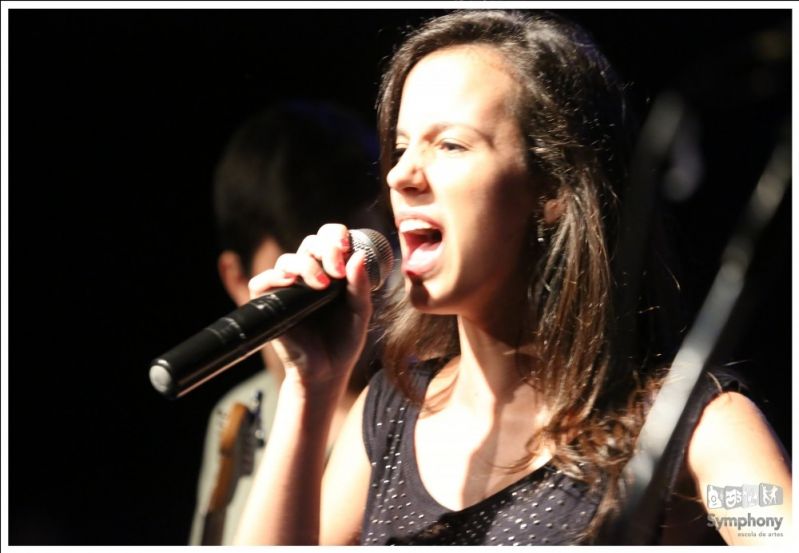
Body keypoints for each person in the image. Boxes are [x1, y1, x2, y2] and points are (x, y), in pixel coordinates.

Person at [233, 11, 791, 545]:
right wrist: (310, 389)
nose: (400, 175)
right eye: (401, 149)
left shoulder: (696, 426)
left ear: (551, 190)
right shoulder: (390, 414)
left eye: (449, 145)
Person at [188, 100, 388, 545]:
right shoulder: (240, 412)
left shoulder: (409, 404)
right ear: (238, 279)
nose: (332, 285)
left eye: (348, 260)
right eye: (305, 275)